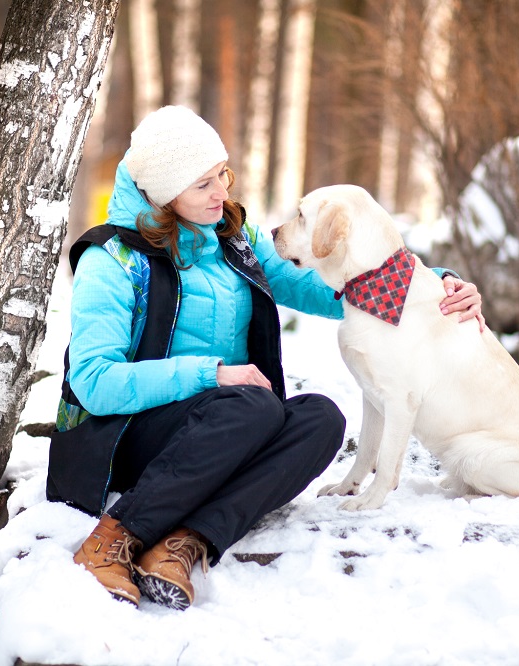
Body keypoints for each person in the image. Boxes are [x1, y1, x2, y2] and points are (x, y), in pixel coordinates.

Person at [46, 105, 484, 611]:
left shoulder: (234, 240)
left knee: (321, 417)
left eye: (222, 175)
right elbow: (95, 383)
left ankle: (182, 544)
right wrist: (211, 375)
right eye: (202, 185)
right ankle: (112, 541)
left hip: (228, 426)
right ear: (163, 194)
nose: (221, 193)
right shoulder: (113, 260)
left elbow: (332, 288)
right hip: (127, 437)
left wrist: (436, 289)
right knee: (251, 404)